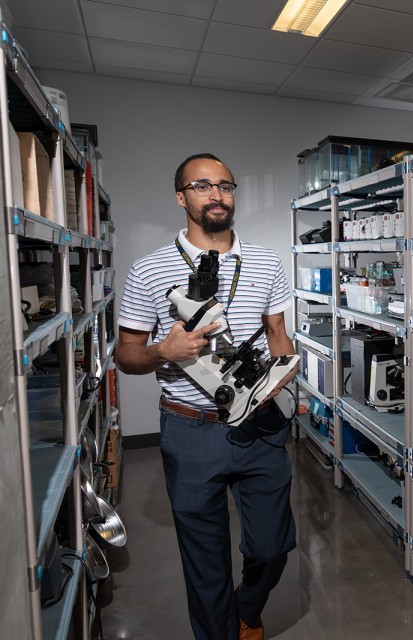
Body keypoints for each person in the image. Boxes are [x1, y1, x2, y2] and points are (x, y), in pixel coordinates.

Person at [116, 153, 297, 640]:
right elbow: (125, 355)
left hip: (260, 423)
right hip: (190, 428)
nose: (215, 194)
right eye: (201, 185)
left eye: (224, 185)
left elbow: (278, 332)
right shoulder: (149, 270)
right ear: (181, 197)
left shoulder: (265, 261)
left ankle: (249, 607)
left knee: (271, 547)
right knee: (205, 560)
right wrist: (164, 350)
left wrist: (285, 386)